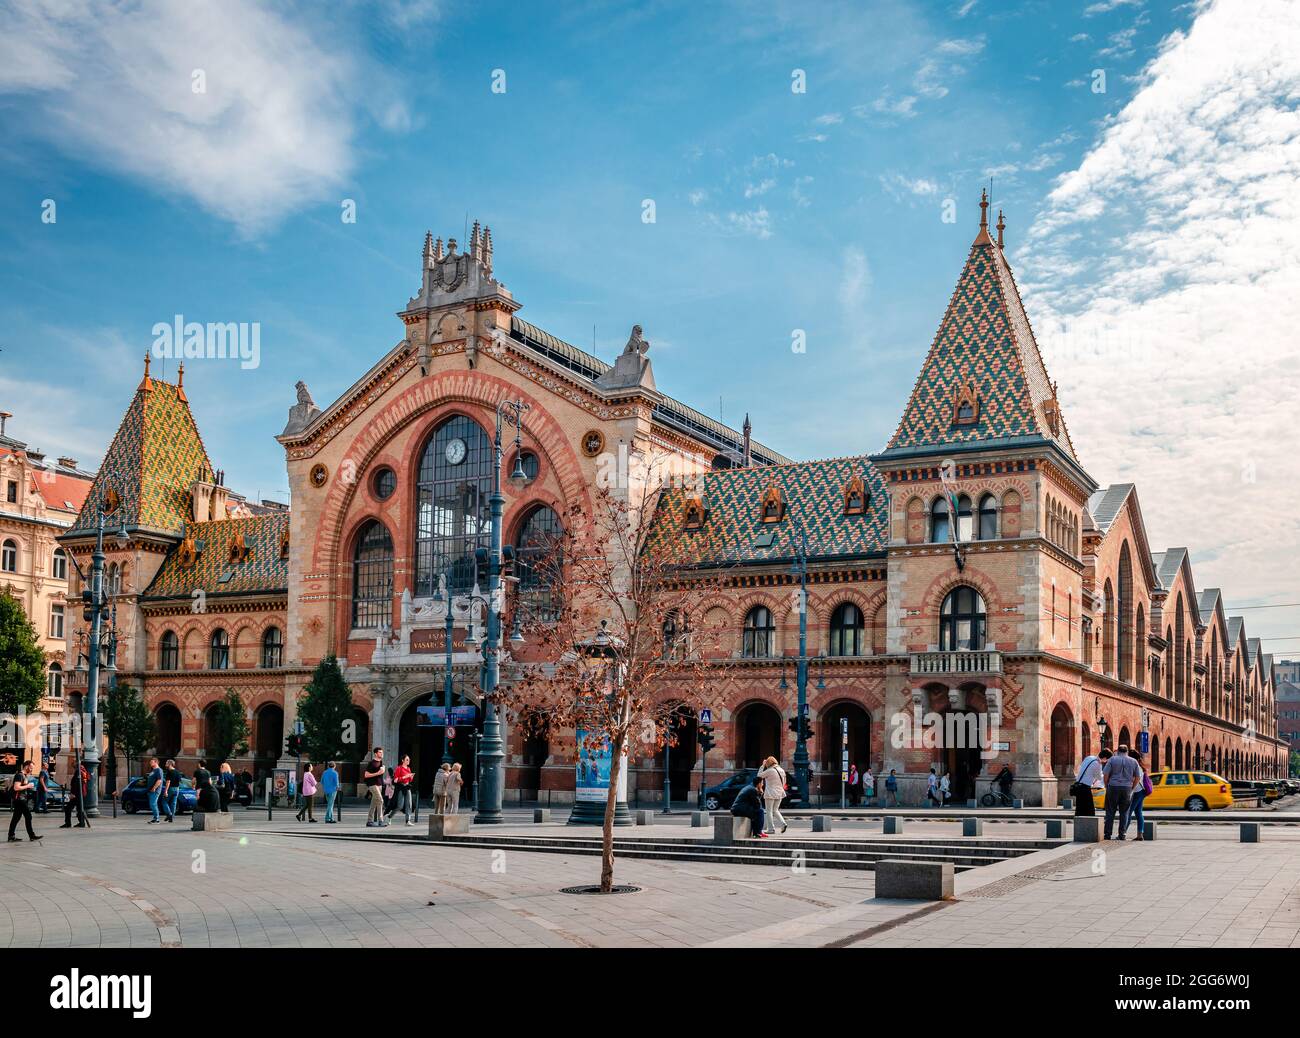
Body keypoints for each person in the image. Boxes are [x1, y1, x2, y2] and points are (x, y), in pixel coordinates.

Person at [1102, 744, 1140, 840]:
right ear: (1127, 751)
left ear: (1118, 751)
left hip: (1113, 786)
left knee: (1110, 811)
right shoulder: (1134, 761)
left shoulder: (1112, 759)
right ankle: (1122, 834)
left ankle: (1107, 834)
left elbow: (1105, 774)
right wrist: (1132, 787)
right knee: (1124, 812)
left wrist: (1107, 785)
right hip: (1127, 788)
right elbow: (1138, 777)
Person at [7, 761, 42, 842]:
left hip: (21, 799)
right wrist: (28, 785)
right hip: (19, 800)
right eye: (31, 768)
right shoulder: (19, 775)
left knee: (16, 818)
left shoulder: (24, 776)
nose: (31, 769)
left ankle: (11, 836)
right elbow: (16, 788)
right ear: (26, 766)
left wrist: (27, 787)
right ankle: (31, 835)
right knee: (28, 816)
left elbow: (21, 787)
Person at [1070, 748, 1110, 818]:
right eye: (1107, 760)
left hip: (1078, 785)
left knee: (1079, 808)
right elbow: (1099, 777)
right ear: (1105, 758)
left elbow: (1083, 767)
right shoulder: (1098, 764)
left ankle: (1079, 825)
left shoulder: (1089, 758)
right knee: (1090, 810)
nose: (1106, 762)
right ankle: (1090, 826)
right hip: (1085, 787)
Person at [1122, 749, 1150, 841]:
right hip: (1141, 791)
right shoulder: (1140, 766)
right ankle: (1140, 834)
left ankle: (1123, 833)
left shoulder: (1135, 765)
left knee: (1128, 812)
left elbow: (1134, 779)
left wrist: (1130, 790)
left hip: (1137, 792)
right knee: (1138, 813)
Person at [756, 755, 788, 834]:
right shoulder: (781, 770)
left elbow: (759, 776)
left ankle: (771, 829)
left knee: (769, 811)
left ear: (768, 763)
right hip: (780, 792)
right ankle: (783, 823)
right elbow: (784, 783)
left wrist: (762, 765)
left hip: (770, 793)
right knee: (775, 810)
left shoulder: (770, 770)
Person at [60, 757, 88, 828]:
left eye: (73, 762)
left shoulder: (78, 771)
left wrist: (73, 794)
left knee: (68, 808)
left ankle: (68, 823)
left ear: (77, 763)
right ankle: (81, 823)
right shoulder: (83, 770)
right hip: (81, 793)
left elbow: (77, 783)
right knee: (79, 809)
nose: (72, 764)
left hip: (77, 794)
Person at [388, 755, 415, 825]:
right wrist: (405, 776)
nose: (408, 761)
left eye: (409, 760)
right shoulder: (399, 768)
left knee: (409, 804)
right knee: (400, 806)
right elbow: (396, 780)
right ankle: (390, 816)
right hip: (400, 787)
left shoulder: (408, 769)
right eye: (407, 759)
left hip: (407, 787)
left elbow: (410, 780)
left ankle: (408, 820)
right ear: (402, 760)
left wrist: (411, 777)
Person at [363, 748, 387, 827]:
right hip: (372, 785)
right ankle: (381, 820)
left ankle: (369, 821)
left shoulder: (381, 762)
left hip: (379, 785)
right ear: (376, 754)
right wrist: (378, 773)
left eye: (382, 752)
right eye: (380, 752)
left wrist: (383, 770)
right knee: (380, 800)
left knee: (373, 804)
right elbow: (366, 775)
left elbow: (381, 774)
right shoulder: (371, 763)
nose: (382, 754)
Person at [162, 758, 183, 822]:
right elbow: (180, 781)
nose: (165, 765)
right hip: (177, 789)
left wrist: (165, 791)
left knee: (164, 801)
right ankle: (171, 817)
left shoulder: (169, 772)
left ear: (170, 764)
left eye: (166, 763)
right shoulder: (177, 772)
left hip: (170, 788)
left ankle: (169, 814)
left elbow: (168, 782)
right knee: (173, 803)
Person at [146, 757, 166, 824]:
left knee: (153, 804)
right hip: (150, 791)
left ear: (156, 762)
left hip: (155, 791)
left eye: (152, 762)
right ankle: (155, 818)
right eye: (150, 762)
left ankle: (156, 819)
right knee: (152, 804)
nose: (150, 763)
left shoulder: (159, 770)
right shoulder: (153, 770)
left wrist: (154, 787)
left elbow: (159, 780)